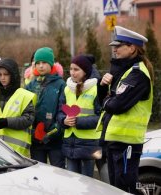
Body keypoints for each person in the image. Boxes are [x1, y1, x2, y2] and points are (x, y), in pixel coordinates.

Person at [98, 26, 154, 194]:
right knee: (116, 187)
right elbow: (106, 101)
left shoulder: (137, 74)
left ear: (132, 48)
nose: (114, 49)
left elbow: (116, 105)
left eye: (119, 45)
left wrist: (108, 100)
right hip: (116, 140)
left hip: (126, 143)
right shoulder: (125, 71)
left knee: (126, 187)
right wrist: (102, 87)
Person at [57, 55, 102, 177]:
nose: (72, 72)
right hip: (70, 143)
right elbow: (60, 112)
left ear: (85, 71)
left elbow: (101, 117)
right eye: (71, 69)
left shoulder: (96, 89)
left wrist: (78, 122)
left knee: (87, 183)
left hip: (89, 144)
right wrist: (63, 120)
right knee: (72, 182)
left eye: (76, 69)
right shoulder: (67, 89)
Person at [0, 58, 36, 157]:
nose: (2, 78)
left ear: (13, 75)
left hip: (18, 151)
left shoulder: (25, 95)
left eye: (6, 74)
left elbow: (28, 119)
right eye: (0, 75)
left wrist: (6, 122)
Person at [25, 47, 66, 168]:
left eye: (44, 62)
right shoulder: (31, 85)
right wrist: (33, 133)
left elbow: (62, 110)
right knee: (39, 173)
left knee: (58, 173)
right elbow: (26, 111)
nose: (41, 66)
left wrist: (51, 134)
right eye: (38, 63)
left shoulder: (60, 84)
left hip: (55, 140)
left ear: (51, 64)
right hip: (36, 140)